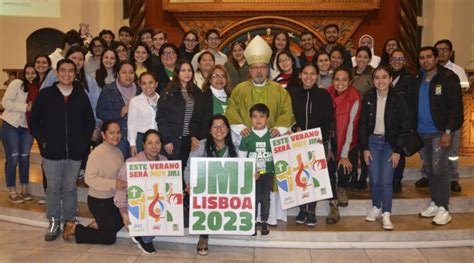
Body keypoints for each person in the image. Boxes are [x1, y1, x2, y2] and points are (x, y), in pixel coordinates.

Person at [225, 35, 295, 225]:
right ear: (249, 69)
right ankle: (250, 215)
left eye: (262, 67)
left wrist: (279, 129)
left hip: (272, 147)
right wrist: (240, 128)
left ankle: (269, 217)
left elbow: (287, 112)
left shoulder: (280, 90)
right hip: (248, 146)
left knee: (269, 183)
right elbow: (230, 110)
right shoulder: (240, 89)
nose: (258, 71)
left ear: (267, 69)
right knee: (250, 179)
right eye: (255, 67)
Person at [29, 59, 95, 241]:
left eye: (70, 71)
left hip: (75, 152)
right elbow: (34, 120)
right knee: (53, 188)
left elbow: (89, 121)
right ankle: (53, 221)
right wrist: (42, 141)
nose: (67, 74)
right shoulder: (46, 94)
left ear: (75, 74)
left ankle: (70, 221)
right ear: (57, 73)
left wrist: (83, 143)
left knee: (69, 188)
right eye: (63, 71)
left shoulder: (81, 95)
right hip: (51, 151)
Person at [412, 46, 463, 226]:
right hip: (422, 132)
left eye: (428, 57)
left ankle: (444, 208)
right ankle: (435, 202)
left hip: (439, 132)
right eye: (421, 58)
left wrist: (448, 131)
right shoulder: (418, 78)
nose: (425, 61)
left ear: (436, 58)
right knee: (430, 170)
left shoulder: (448, 78)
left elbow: (456, 109)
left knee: (440, 169)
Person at [359, 66, 411, 230]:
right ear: (373, 81)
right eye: (377, 78)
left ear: (390, 79)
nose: (380, 81)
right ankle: (376, 207)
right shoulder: (369, 97)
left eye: (384, 77)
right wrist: (364, 147)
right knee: (374, 179)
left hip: (390, 144)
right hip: (373, 142)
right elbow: (362, 125)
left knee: (386, 180)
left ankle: (386, 213)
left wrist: (398, 150)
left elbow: (405, 126)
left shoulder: (399, 99)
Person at [62, 121, 125, 244]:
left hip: (114, 199)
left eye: (118, 132)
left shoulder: (118, 152)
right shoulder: (97, 153)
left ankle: (97, 224)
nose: (116, 136)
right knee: (109, 238)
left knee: (124, 217)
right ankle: (75, 229)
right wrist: (113, 184)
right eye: (111, 133)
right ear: (103, 135)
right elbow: (89, 179)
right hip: (99, 201)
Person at [184, 115, 237, 256]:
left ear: (228, 129)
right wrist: (189, 184)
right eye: (215, 126)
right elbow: (189, 168)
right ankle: (203, 237)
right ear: (209, 130)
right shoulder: (200, 145)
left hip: (226, 189)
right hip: (206, 192)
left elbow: (244, 168)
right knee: (202, 198)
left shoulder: (235, 146)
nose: (219, 130)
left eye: (222, 126)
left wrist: (253, 175)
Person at [288, 64, 334, 226]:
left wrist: (323, 138)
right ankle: (302, 208)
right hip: (298, 141)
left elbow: (329, 118)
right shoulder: (293, 94)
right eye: (305, 73)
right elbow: (289, 114)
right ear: (300, 75)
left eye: (312, 74)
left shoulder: (323, 94)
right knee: (300, 174)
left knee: (314, 175)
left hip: (318, 141)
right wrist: (295, 127)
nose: (308, 77)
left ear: (316, 76)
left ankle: (311, 210)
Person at [114, 130, 168, 255]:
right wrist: (124, 213)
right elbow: (121, 189)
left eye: (157, 143)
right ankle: (142, 236)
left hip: (156, 203)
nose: (154, 147)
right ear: (143, 145)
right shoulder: (133, 163)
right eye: (150, 143)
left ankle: (143, 235)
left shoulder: (165, 160)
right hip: (137, 205)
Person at [433, 39, 469, 193]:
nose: (442, 52)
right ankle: (427, 175)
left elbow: (463, 92)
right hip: (433, 117)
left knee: (452, 152)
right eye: (438, 50)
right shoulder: (429, 69)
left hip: (451, 117)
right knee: (431, 149)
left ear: (451, 52)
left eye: (445, 49)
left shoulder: (458, 70)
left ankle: (453, 179)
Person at [326, 68, 361, 223]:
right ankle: (333, 205)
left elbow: (352, 127)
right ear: (333, 80)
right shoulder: (326, 94)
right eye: (337, 79)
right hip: (330, 138)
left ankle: (342, 188)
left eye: (344, 79)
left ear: (350, 81)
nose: (340, 83)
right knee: (328, 169)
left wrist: (344, 154)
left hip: (348, 139)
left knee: (345, 166)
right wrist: (327, 148)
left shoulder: (354, 97)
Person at [156, 60, 201, 167]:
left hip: (190, 139)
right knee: (174, 173)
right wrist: (166, 140)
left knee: (187, 170)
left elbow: (198, 117)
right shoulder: (168, 91)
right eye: (183, 70)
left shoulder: (196, 91)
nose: (187, 73)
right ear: (177, 73)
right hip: (173, 138)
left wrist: (195, 137)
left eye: (189, 70)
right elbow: (161, 117)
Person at [2, 64, 36, 203]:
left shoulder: (38, 87)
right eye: (27, 73)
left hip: (27, 127)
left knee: (25, 157)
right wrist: (25, 107)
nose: (30, 76)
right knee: (13, 157)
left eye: (33, 73)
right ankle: (12, 190)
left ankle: (24, 188)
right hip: (11, 125)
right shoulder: (17, 83)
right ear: (23, 73)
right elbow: (5, 102)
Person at [238, 103, 274, 235]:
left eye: (262, 116)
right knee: (252, 198)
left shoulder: (272, 135)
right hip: (252, 174)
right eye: (254, 117)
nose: (258, 120)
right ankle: (251, 223)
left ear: (268, 119)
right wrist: (247, 172)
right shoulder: (247, 136)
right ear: (250, 118)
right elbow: (242, 157)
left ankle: (264, 221)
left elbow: (281, 153)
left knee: (265, 198)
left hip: (267, 173)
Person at [97, 62, 138, 159]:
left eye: (131, 72)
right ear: (118, 74)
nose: (128, 75)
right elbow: (100, 112)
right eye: (124, 72)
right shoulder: (108, 90)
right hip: (117, 139)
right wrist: (120, 112)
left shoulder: (140, 90)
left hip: (136, 139)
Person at [28, 55, 54, 204]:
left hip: (50, 125)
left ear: (49, 64)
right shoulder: (32, 82)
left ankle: (52, 192)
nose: (41, 65)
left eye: (44, 62)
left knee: (50, 160)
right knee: (45, 160)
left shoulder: (52, 80)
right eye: (38, 62)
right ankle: (47, 192)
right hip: (38, 125)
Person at [389, 49, 416, 193]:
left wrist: (410, 124)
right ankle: (389, 179)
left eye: (400, 59)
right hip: (387, 122)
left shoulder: (410, 78)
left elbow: (413, 103)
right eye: (394, 58)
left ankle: (396, 180)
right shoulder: (385, 75)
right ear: (390, 60)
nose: (397, 61)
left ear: (405, 61)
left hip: (402, 122)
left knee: (399, 152)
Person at [190, 65, 231, 145]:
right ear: (209, 79)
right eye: (215, 76)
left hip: (228, 141)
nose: (220, 79)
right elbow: (195, 119)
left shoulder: (232, 97)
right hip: (207, 140)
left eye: (223, 76)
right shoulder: (203, 97)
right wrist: (193, 138)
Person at [128, 72, 159, 156]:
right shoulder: (135, 101)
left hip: (158, 140)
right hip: (141, 139)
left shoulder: (163, 100)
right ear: (140, 85)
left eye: (150, 82)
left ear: (156, 84)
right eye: (144, 83)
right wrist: (132, 144)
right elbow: (132, 124)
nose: (147, 86)